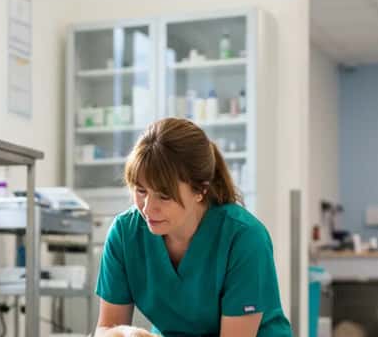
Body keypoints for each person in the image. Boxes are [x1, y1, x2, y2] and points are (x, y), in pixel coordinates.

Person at [94, 118, 293, 337]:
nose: (148, 208)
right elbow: (106, 328)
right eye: (141, 191)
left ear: (200, 190)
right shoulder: (125, 234)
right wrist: (124, 334)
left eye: (164, 196)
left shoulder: (244, 238)